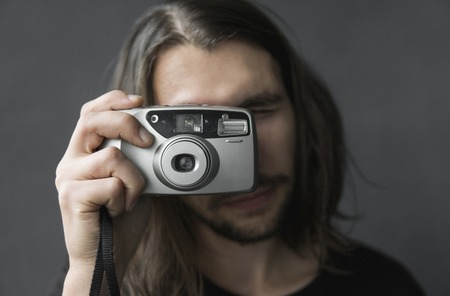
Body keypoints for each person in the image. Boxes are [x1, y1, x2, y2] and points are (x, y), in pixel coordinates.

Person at [55, 0, 425, 295]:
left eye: (258, 110)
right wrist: (100, 269)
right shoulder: (99, 281)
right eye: (197, 125)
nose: (249, 155)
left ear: (304, 114)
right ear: (136, 139)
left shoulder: (385, 285)